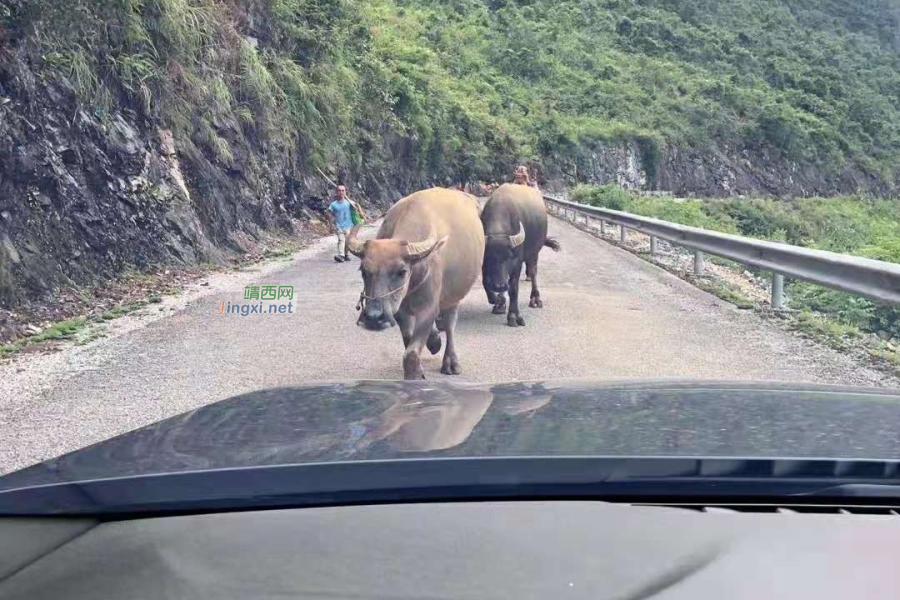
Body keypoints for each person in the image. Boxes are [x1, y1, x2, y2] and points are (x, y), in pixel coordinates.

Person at [328, 184, 366, 263]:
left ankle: (346, 255)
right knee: (341, 240)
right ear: (336, 192)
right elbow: (329, 214)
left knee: (347, 241)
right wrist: (331, 226)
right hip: (339, 225)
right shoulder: (333, 204)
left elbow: (357, 205)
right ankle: (341, 255)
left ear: (345, 192)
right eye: (339, 190)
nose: (341, 192)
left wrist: (361, 212)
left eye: (343, 190)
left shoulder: (349, 202)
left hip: (349, 225)